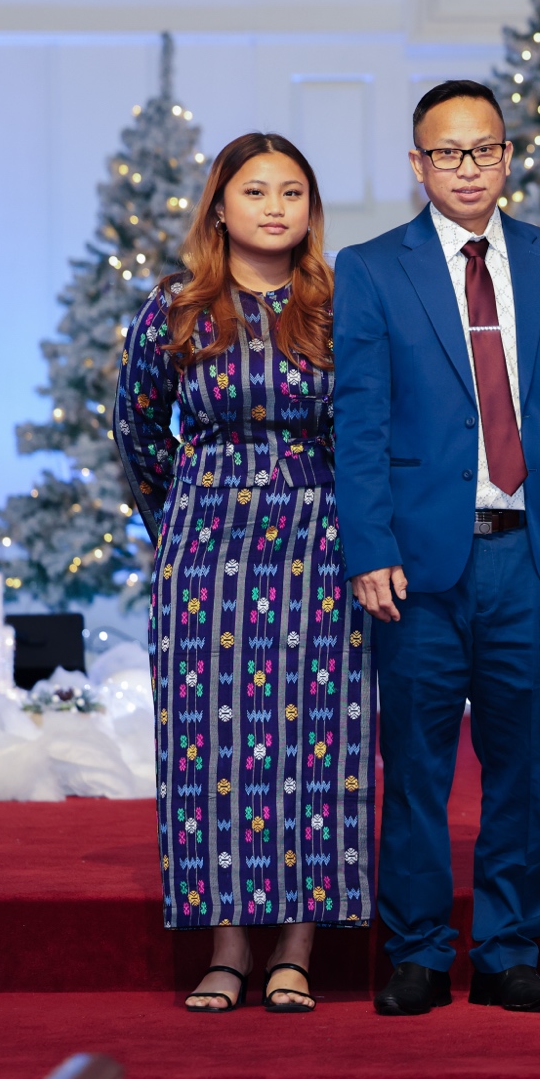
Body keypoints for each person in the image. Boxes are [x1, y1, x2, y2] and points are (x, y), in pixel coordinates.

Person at [333, 78, 540, 1016]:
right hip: (415, 562)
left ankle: (507, 949)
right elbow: (359, 420)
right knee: (415, 767)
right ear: (417, 164)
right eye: (446, 153)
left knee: (522, 767)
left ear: (507, 157)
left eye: (483, 150)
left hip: (528, 556)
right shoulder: (373, 268)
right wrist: (368, 546)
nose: (466, 168)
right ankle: (416, 950)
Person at [115, 132, 372, 1015]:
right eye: (255, 190)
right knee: (207, 746)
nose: (274, 207)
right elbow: (137, 429)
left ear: (311, 209)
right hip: (205, 549)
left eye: (292, 192)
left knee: (315, 741)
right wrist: (181, 518)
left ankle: (297, 949)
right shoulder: (176, 306)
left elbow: (367, 427)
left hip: (321, 540)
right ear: (220, 206)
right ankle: (226, 948)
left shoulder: (339, 304)